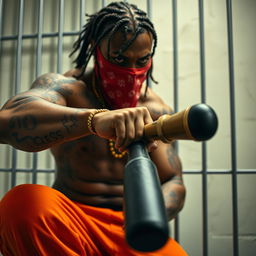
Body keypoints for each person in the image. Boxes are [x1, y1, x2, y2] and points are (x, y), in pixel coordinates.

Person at [0, 2, 187, 255]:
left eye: (142, 60)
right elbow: (6, 122)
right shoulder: (68, 89)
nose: (131, 71)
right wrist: (93, 120)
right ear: (95, 49)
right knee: (22, 204)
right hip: (71, 222)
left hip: (128, 231)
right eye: (119, 58)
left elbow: (172, 179)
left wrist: (151, 215)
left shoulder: (156, 111)